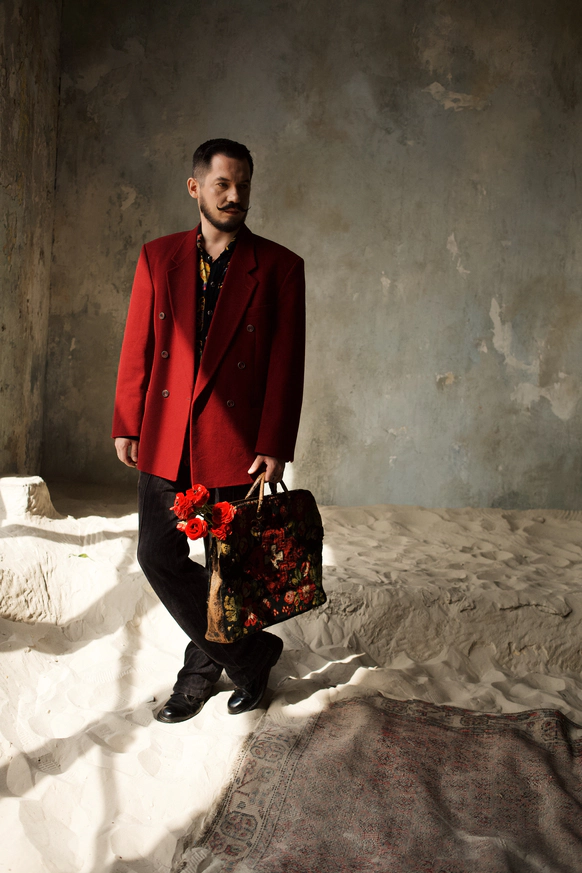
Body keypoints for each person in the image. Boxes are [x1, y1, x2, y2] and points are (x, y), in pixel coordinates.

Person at [112, 138, 305, 722]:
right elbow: (139, 343)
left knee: (228, 571)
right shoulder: (157, 257)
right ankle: (251, 655)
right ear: (195, 188)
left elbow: (285, 363)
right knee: (157, 555)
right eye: (222, 184)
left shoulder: (280, 267)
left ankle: (198, 676)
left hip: (236, 441)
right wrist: (128, 420)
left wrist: (274, 443)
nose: (234, 195)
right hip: (165, 433)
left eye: (243, 184)